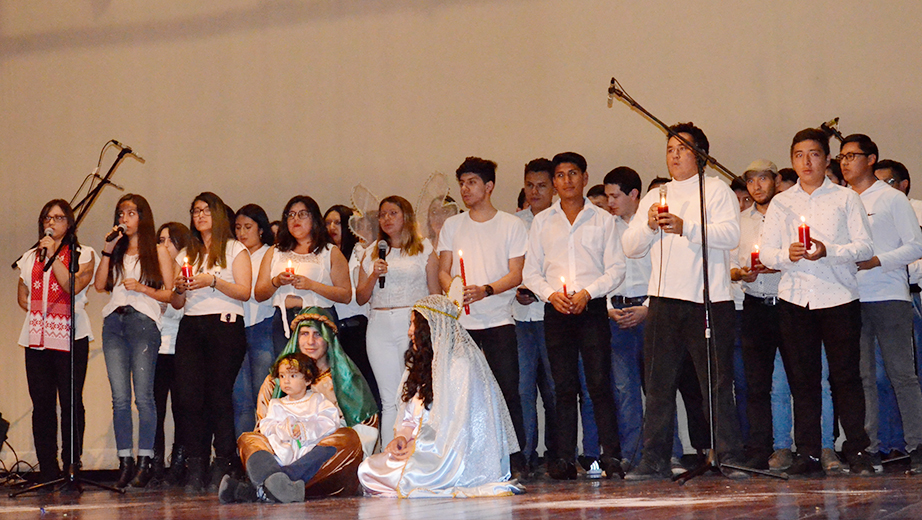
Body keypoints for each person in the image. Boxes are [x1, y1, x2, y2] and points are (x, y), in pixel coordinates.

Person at [621, 123, 747, 480]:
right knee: (658, 384)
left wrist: (686, 226)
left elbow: (730, 235)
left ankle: (729, 455)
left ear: (701, 155)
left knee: (716, 384)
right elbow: (630, 248)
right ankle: (655, 458)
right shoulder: (656, 193)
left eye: (682, 149)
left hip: (709, 300)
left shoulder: (716, 190)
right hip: (663, 300)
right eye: (669, 149)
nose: (674, 155)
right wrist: (647, 226)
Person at [760, 128, 875, 475]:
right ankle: (807, 452)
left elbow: (865, 247)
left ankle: (856, 449)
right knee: (802, 379)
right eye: (798, 155)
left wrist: (829, 251)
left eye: (813, 154)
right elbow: (767, 251)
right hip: (796, 299)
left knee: (846, 377)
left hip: (838, 296)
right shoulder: (782, 202)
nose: (806, 162)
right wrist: (786, 254)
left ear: (827, 159)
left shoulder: (845, 198)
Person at [522, 152, 626, 480]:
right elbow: (530, 271)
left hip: (591, 307)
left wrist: (587, 293)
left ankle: (611, 456)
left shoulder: (603, 220)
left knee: (598, 384)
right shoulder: (542, 222)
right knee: (562, 387)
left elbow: (616, 269)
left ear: (584, 177)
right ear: (554, 183)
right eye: (561, 175)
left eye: (573, 174)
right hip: (556, 310)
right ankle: (563, 458)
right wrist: (550, 295)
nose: (567, 181)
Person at [358, 295, 523, 497]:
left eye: (414, 325)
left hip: (450, 455)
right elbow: (410, 416)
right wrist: (402, 437)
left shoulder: (461, 367)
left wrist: (419, 449)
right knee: (367, 468)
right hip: (419, 448)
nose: (409, 332)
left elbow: (460, 427)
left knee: (405, 475)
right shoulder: (420, 366)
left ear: (431, 329)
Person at [437, 156, 530, 478]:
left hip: (499, 321)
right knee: (462, 394)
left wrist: (486, 290)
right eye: (462, 182)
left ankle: (517, 460)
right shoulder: (453, 225)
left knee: (507, 391)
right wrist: (457, 288)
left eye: (472, 182)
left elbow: (516, 273)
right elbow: (443, 271)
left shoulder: (511, 225)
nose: (465, 189)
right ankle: (466, 460)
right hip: (463, 324)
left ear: (489, 186)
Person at [839, 134, 922, 473]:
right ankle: (867, 447)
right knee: (862, 377)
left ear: (871, 159)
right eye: (841, 157)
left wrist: (877, 261)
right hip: (849, 298)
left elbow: (915, 246)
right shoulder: (840, 200)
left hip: (888, 295)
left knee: (902, 374)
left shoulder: (890, 199)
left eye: (852, 156)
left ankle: (917, 444)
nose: (845, 162)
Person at [237, 307, 379, 498]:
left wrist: (313, 433)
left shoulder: (347, 380)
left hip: (321, 461)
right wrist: (285, 433)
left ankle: (271, 484)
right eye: (304, 334)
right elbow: (263, 426)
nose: (310, 342)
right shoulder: (275, 381)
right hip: (281, 450)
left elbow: (366, 431)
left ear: (328, 340)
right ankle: (278, 485)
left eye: (317, 335)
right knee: (249, 439)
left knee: (347, 438)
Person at [170, 192, 252, 491]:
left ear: (218, 214)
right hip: (191, 326)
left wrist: (213, 281)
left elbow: (244, 292)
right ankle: (197, 464)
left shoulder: (234, 249)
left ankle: (225, 462)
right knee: (190, 399)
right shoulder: (185, 254)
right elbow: (176, 303)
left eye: (205, 210)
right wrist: (179, 288)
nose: (200, 215)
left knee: (218, 396)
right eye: (195, 211)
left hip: (224, 325)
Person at [95, 194, 174, 488]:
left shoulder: (158, 252)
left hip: (143, 323)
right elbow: (100, 285)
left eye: (130, 213)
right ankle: (124, 461)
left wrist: (142, 288)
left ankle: (145, 461)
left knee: (144, 397)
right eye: (121, 213)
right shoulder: (115, 251)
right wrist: (106, 251)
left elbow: (171, 294)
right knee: (119, 399)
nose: (124, 219)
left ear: (143, 217)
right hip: (114, 322)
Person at [16, 200, 96, 483]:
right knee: (42, 403)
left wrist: (54, 254)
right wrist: (36, 307)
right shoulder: (29, 256)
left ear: (70, 223)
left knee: (71, 402)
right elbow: (22, 293)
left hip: (71, 335)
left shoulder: (83, 254)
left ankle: (71, 466)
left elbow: (70, 284)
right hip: (37, 337)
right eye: (48, 217)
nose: (52, 222)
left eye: (59, 217)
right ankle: (47, 469)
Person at [356, 196, 440, 447]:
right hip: (379, 323)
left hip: (411, 324)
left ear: (406, 216)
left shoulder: (424, 248)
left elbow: (435, 293)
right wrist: (374, 274)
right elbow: (361, 297)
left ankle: (413, 453)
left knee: (411, 393)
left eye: (393, 213)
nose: (386, 219)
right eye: (382, 215)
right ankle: (387, 456)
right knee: (388, 398)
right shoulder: (372, 253)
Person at [255, 196, 351, 358]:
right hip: (284, 320)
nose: (295, 219)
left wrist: (311, 285)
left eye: (302, 214)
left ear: (314, 218)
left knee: (318, 374)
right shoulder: (275, 251)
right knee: (288, 373)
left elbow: (346, 295)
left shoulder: (329, 252)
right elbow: (259, 294)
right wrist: (276, 282)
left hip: (318, 319)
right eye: (291, 215)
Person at [602, 166, 651, 470]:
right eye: (606, 196)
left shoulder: (652, 226)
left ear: (634, 195)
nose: (609, 202)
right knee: (624, 390)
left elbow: (665, 270)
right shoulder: (606, 228)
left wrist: (648, 306)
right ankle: (632, 456)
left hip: (649, 311)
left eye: (614, 195)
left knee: (657, 389)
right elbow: (600, 271)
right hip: (615, 312)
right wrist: (607, 306)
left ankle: (667, 453)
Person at [514, 158, 558, 473]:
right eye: (529, 185)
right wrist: (515, 289)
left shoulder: (562, 220)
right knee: (522, 389)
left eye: (541, 185)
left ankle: (558, 455)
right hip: (518, 316)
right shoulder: (513, 222)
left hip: (553, 314)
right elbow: (507, 268)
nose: (534, 191)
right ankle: (526, 456)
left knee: (557, 389)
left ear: (554, 187)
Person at [324, 204, 380, 407]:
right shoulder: (323, 255)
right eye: (328, 222)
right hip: (332, 327)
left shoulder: (359, 253)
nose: (331, 227)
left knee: (365, 386)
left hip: (357, 327)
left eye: (338, 223)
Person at [232, 204, 276, 438]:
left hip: (263, 326)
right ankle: (244, 457)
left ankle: (266, 454)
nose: (242, 233)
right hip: (236, 328)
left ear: (261, 229)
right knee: (241, 400)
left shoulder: (271, 253)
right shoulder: (232, 254)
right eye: (238, 227)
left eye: (248, 227)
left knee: (264, 395)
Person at [154, 222, 191, 486]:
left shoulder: (185, 270)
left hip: (180, 345)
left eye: (169, 240)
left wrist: (165, 301)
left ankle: (179, 462)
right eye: (160, 239)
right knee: (154, 408)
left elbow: (179, 309)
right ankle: (155, 462)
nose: (164, 245)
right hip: (156, 347)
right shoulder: (153, 270)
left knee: (181, 407)